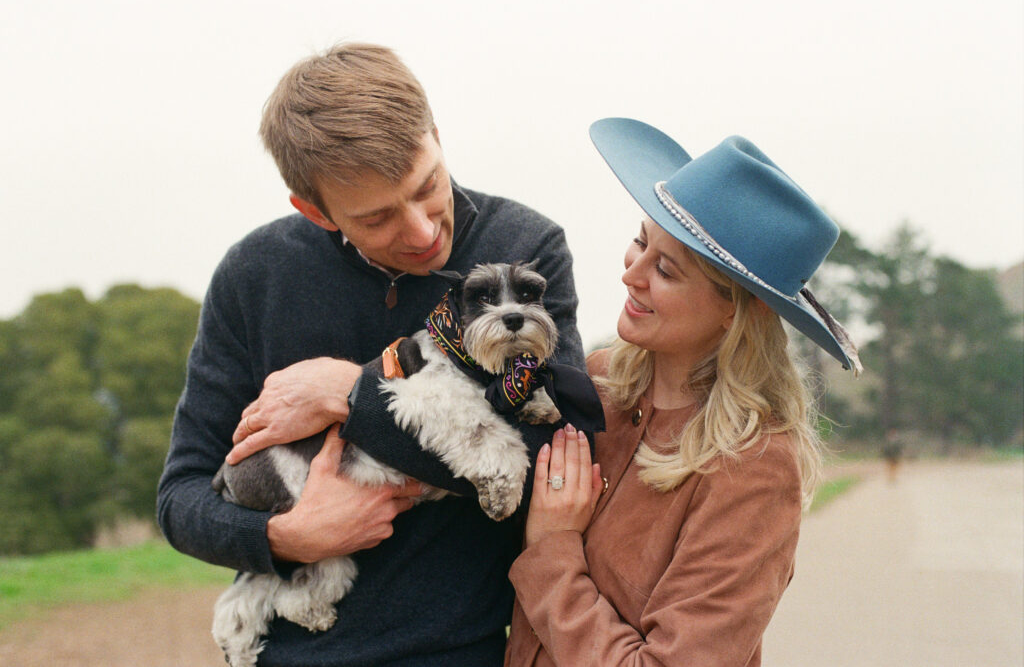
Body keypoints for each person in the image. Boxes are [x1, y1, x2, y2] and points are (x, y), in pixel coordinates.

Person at [156, 43, 586, 667]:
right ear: (314, 211)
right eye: (378, 216)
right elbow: (181, 496)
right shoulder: (254, 274)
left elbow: (553, 460)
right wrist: (285, 537)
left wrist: (350, 393)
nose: (421, 231)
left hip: (463, 653)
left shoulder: (525, 249)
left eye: (427, 185)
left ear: (436, 137)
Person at [505, 118, 863, 667]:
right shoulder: (594, 384)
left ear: (734, 312)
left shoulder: (754, 466)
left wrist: (552, 549)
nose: (632, 275)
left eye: (666, 270)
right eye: (640, 242)